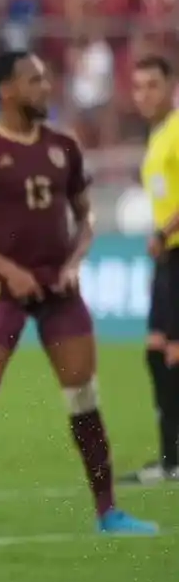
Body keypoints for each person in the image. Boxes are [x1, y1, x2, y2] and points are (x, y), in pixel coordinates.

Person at [0, 50, 158, 542]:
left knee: (84, 397)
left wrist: (72, 264)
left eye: (45, 78)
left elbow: (85, 217)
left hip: (58, 289)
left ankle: (108, 511)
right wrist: (6, 269)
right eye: (35, 80)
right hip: (2, 290)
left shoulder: (63, 146)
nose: (46, 87)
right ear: (6, 91)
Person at [125, 55, 179, 484]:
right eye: (138, 86)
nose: (144, 94)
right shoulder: (158, 136)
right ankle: (170, 459)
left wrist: (164, 233)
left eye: (152, 85)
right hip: (168, 258)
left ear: (170, 86)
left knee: (173, 354)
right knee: (156, 353)